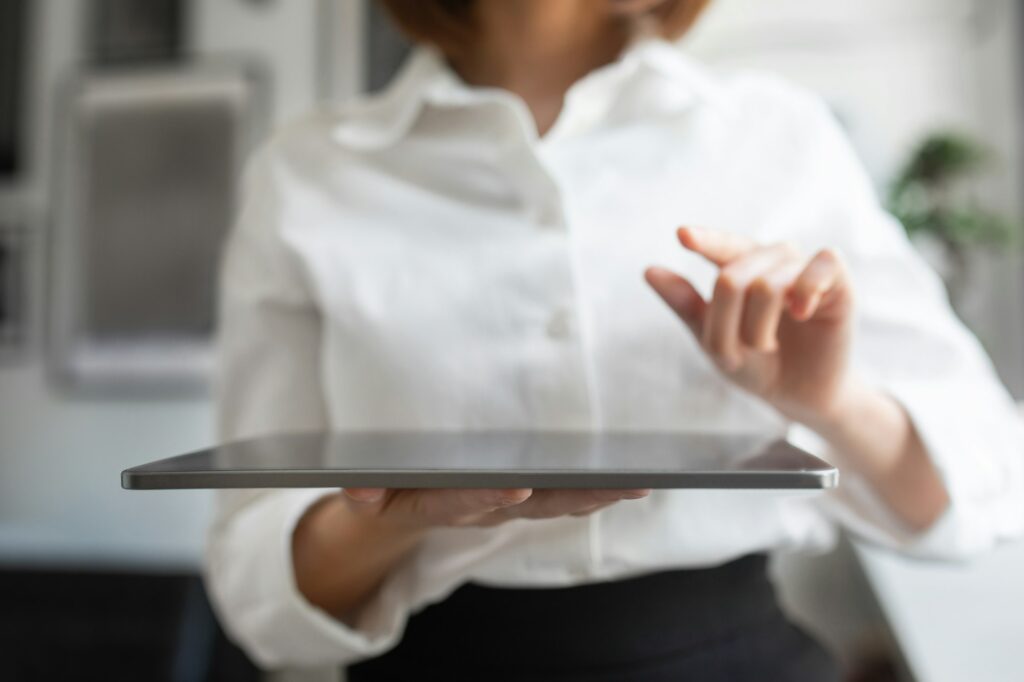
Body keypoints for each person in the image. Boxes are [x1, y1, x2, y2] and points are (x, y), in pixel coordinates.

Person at [204, 0, 1024, 679]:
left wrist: (829, 402)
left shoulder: (775, 135)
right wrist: (397, 518)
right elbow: (258, 595)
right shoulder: (307, 174)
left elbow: (982, 489)